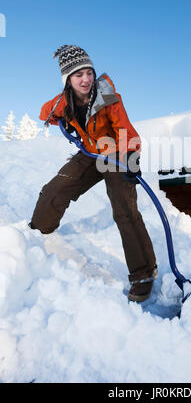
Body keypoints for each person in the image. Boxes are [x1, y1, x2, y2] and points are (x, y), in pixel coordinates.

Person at [29, 45, 157, 302]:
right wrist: (61, 120)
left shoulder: (109, 98)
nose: (86, 79)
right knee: (55, 189)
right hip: (89, 154)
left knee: (124, 210)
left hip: (114, 153)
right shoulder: (63, 101)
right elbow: (45, 112)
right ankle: (34, 238)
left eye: (89, 72)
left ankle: (143, 273)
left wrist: (130, 158)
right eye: (78, 75)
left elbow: (126, 132)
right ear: (68, 80)